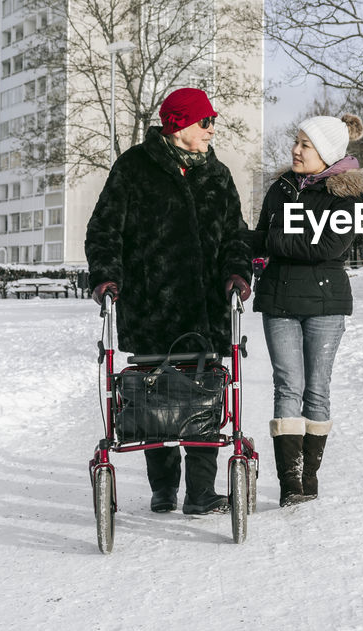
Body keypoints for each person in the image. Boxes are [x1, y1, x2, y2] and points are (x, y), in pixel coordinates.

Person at [85, 87, 253, 515]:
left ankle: (200, 494)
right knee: (152, 395)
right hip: (150, 305)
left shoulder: (218, 175)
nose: (212, 129)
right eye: (205, 122)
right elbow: (105, 229)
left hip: (206, 309)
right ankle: (163, 489)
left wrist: (237, 273)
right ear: (178, 125)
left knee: (206, 394)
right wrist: (106, 277)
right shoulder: (134, 168)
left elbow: (235, 234)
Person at [251, 113, 363, 506]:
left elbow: (327, 248)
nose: (295, 150)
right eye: (296, 141)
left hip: (325, 303)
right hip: (279, 301)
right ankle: (291, 484)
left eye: (305, 144)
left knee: (316, 390)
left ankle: (310, 478)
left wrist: (273, 241)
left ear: (327, 153)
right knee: (287, 386)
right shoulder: (280, 188)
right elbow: (262, 235)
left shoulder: (347, 194)